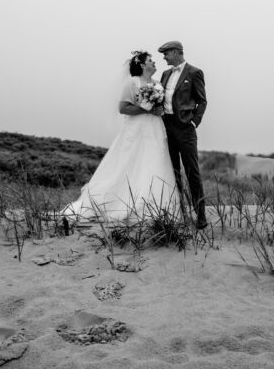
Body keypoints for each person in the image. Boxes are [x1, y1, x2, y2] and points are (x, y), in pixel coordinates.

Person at [62, 50, 178, 220]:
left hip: (154, 128)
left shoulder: (157, 83)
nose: (154, 62)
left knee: (155, 160)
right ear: (142, 65)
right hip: (136, 128)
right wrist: (146, 109)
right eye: (150, 60)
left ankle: (156, 206)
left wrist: (158, 109)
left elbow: (159, 108)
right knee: (129, 162)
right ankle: (123, 201)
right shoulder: (132, 82)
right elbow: (123, 108)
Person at [158, 40, 208, 229]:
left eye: (166, 53)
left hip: (185, 129)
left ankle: (200, 215)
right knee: (173, 172)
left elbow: (202, 101)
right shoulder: (165, 74)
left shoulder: (195, 72)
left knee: (192, 172)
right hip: (167, 128)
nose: (164, 57)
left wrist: (194, 122)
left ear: (176, 52)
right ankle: (179, 212)